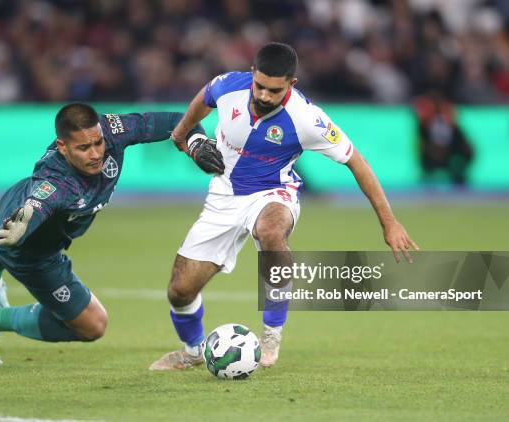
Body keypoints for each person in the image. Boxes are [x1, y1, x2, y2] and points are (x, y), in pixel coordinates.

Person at [149, 42, 419, 371]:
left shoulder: (307, 119)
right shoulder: (228, 85)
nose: (263, 95)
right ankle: (192, 351)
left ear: (291, 83)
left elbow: (357, 162)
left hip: (275, 192)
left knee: (270, 232)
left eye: (273, 90)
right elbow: (203, 98)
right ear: (252, 75)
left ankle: (271, 335)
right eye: (259, 86)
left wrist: (389, 223)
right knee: (180, 291)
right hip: (224, 195)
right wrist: (183, 139)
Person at [0, 103, 224, 364]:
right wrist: (27, 216)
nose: (95, 153)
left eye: (97, 142)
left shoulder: (112, 130)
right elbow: (39, 202)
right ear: (62, 147)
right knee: (93, 325)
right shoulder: (57, 180)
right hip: (29, 246)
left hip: (14, 205)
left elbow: (176, 121)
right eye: (83, 148)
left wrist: (196, 142)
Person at [414, 91, 474, 186]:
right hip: (434, 156)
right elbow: (422, 146)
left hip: (451, 155)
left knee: (456, 163)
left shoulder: (449, 124)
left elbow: (465, 147)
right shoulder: (424, 125)